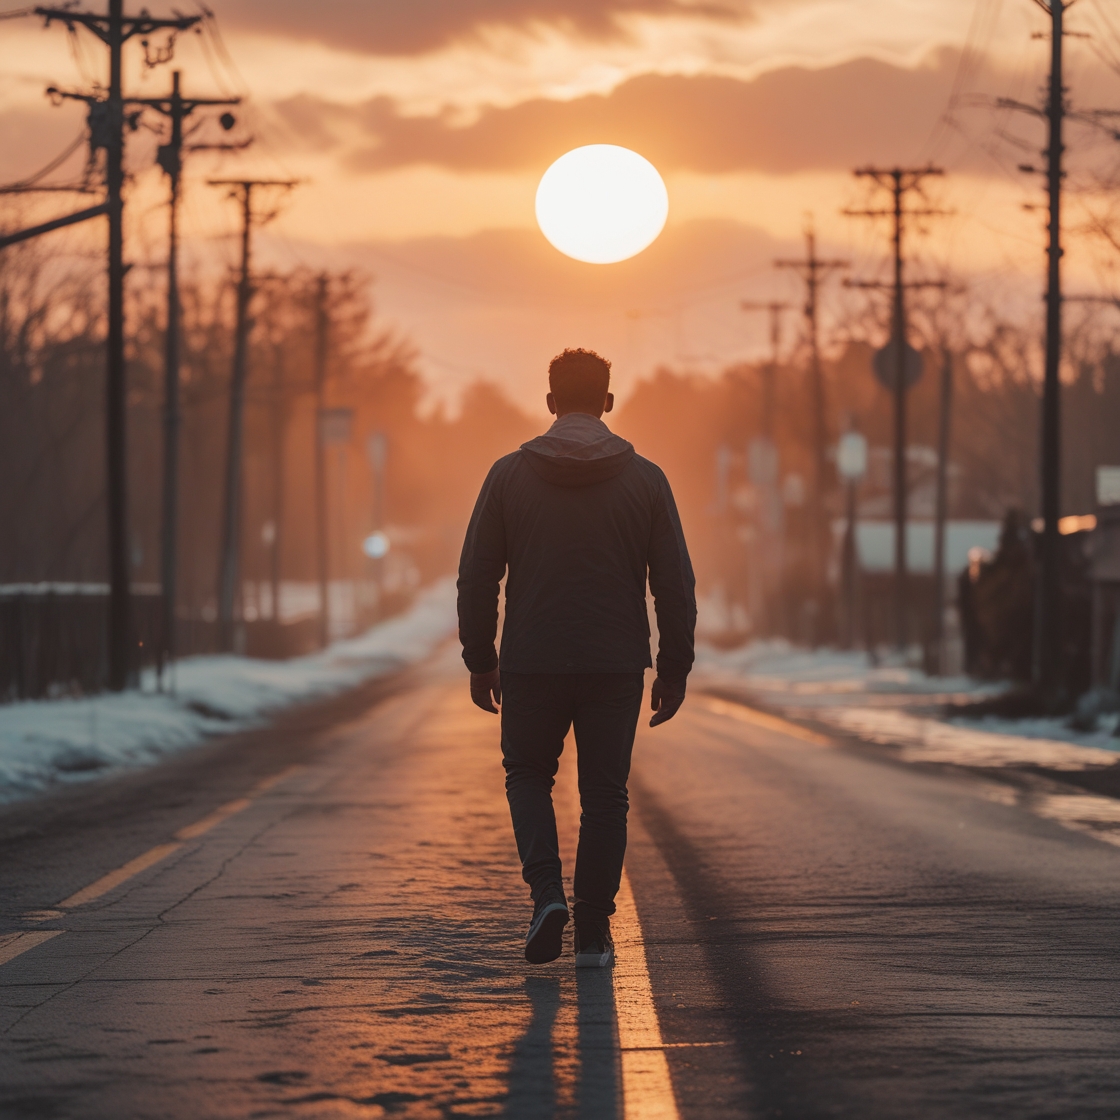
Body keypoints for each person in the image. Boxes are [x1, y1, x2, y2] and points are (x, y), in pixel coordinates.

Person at [457, 347, 696, 968]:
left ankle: (546, 898)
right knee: (605, 793)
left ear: (550, 404)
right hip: (615, 662)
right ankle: (592, 930)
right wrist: (673, 668)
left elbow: (477, 575)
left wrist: (480, 657)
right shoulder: (646, 480)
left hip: (532, 658)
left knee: (529, 774)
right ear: (609, 403)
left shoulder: (508, 475)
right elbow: (673, 583)